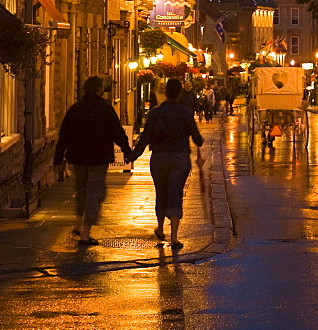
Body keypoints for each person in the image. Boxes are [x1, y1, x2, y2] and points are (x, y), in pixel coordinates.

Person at [53, 76, 133, 246]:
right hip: (98, 158)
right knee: (94, 192)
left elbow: (64, 135)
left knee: (81, 189)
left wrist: (58, 159)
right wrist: (127, 151)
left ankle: (78, 222)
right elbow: (117, 132)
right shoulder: (105, 109)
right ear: (99, 90)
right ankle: (85, 234)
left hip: (78, 158)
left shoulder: (76, 109)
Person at [128, 78, 205, 250]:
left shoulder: (156, 113)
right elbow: (197, 138)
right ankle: (175, 237)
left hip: (159, 158)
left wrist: (132, 156)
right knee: (175, 194)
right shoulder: (185, 113)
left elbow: (145, 137)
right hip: (179, 158)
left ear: (165, 92)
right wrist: (198, 139)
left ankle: (161, 228)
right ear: (179, 94)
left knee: (161, 192)